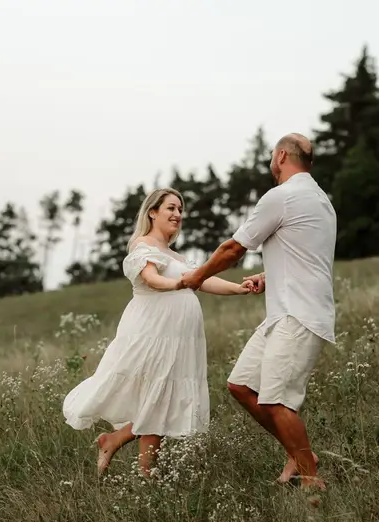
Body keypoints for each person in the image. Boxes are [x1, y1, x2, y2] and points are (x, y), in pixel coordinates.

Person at [180, 133, 337, 492]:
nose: (271, 161)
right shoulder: (320, 200)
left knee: (277, 400)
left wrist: (197, 277)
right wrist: (270, 274)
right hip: (284, 313)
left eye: (272, 155)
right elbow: (309, 253)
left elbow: (233, 248)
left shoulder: (282, 196)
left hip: (299, 316)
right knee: (241, 385)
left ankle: (312, 481)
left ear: (281, 156)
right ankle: (299, 458)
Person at [62, 187, 255, 478]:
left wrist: (239, 288)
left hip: (180, 338)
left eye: (180, 209)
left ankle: (121, 448)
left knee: (162, 400)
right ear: (153, 212)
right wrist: (178, 284)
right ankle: (146, 473)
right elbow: (151, 279)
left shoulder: (176, 256)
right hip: (153, 333)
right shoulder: (143, 246)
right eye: (171, 208)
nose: (177, 214)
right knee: (157, 396)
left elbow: (203, 281)